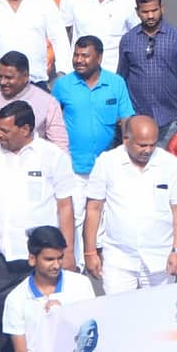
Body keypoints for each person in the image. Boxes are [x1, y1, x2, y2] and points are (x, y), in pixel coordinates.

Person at [0, 100, 74, 352]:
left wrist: (67, 253)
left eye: (5, 130)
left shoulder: (52, 156)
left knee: (40, 308)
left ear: (25, 129)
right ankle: (11, 348)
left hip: (38, 252)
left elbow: (65, 205)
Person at [83, 115, 177, 293]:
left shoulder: (169, 164)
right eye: (142, 145)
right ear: (126, 139)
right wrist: (90, 252)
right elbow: (94, 208)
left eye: (152, 145)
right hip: (118, 258)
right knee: (118, 315)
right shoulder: (107, 162)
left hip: (160, 258)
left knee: (158, 315)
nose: (148, 150)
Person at [51, 36, 134, 259]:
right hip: (73, 166)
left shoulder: (116, 83)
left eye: (85, 55)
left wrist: (127, 146)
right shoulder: (62, 85)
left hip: (106, 166)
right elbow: (50, 120)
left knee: (105, 215)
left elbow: (126, 118)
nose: (79, 60)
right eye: (76, 55)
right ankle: (75, 264)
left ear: (99, 57)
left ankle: (102, 259)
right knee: (75, 216)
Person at [2, 226, 94, 352]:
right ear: (32, 259)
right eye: (49, 259)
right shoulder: (16, 299)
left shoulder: (81, 285)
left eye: (60, 258)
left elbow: (91, 330)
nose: (56, 265)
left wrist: (63, 313)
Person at [116, 0, 177, 147]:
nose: (150, 16)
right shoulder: (128, 40)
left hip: (168, 120)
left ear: (162, 8)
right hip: (136, 120)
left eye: (154, 10)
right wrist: (121, 112)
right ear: (137, 12)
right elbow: (121, 79)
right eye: (145, 12)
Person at [0, 51, 68, 152]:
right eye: (0, 76)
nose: (2, 82)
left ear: (25, 76)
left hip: (34, 165)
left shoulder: (48, 103)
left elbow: (60, 147)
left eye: (8, 78)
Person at [60, 0, 137, 73]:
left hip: (116, 72)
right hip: (81, 72)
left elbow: (137, 35)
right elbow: (62, 35)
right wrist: (63, 68)